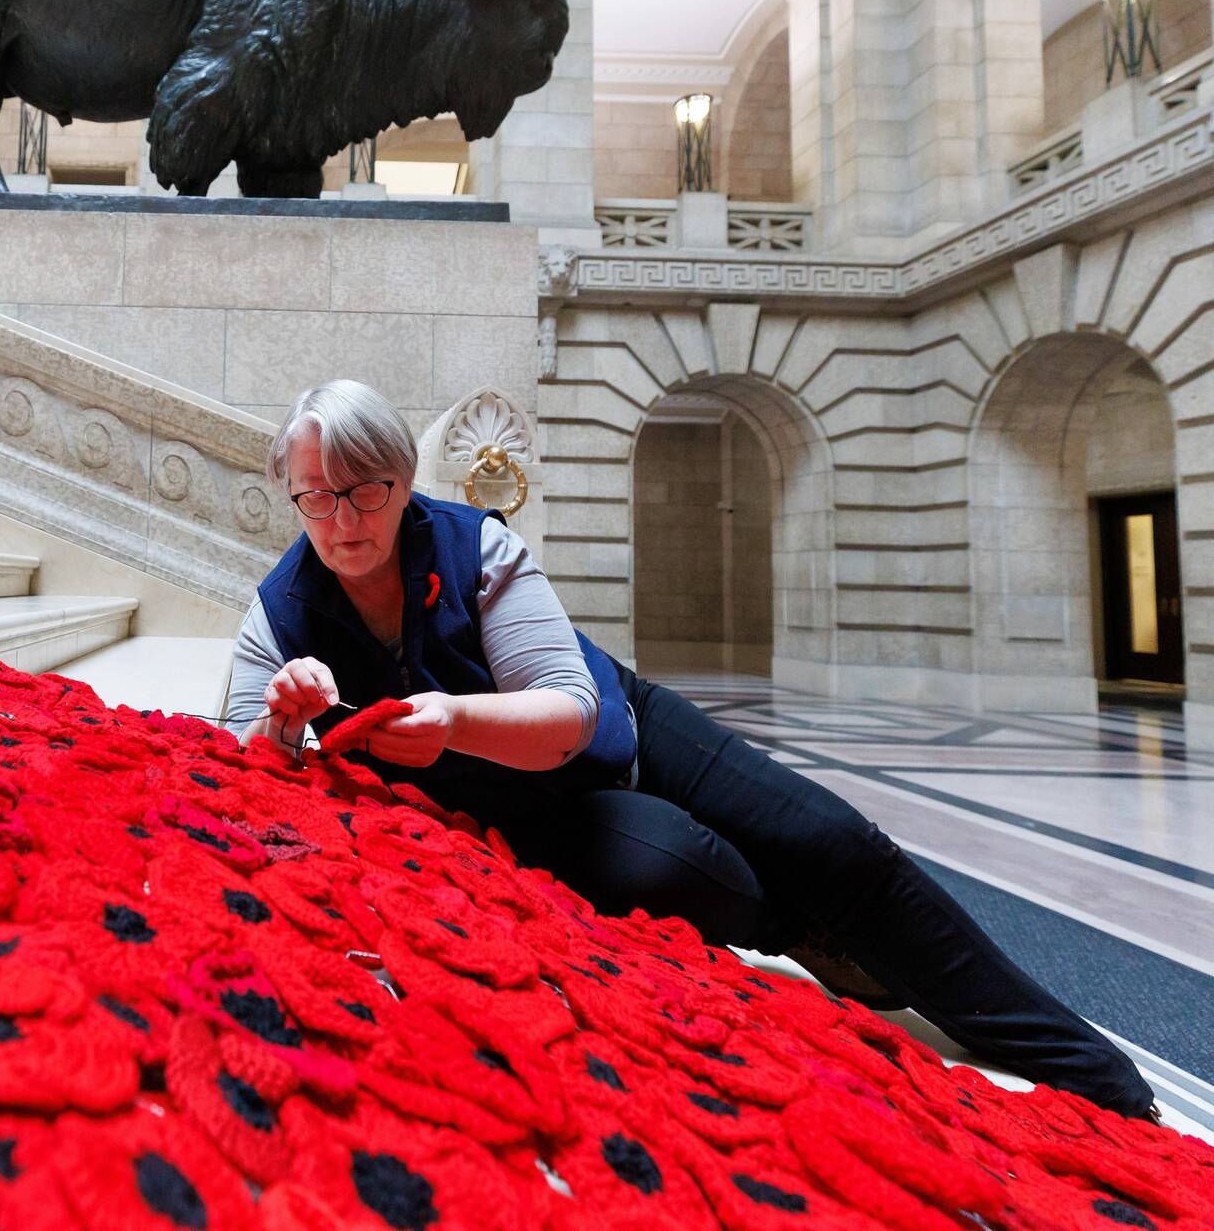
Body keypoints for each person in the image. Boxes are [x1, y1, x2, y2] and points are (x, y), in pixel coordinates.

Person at [225, 379, 1155, 1120]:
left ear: (400, 476)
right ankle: (808, 933)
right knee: (685, 872)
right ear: (291, 494)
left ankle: (1087, 1064)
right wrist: (284, 721)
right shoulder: (279, 609)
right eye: (316, 497)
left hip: (624, 725)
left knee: (835, 842)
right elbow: (234, 769)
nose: (343, 520)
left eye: (365, 491)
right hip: (530, 812)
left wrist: (456, 719)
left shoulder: (477, 546)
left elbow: (573, 711)